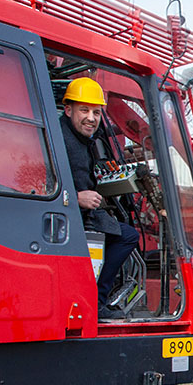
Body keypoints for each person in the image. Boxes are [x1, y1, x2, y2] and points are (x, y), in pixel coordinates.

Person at [61, 77, 139, 319]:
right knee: (128, 236)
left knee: (124, 232)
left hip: (78, 212)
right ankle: (94, 302)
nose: (91, 118)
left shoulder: (79, 139)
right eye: (84, 110)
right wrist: (76, 197)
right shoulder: (59, 140)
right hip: (69, 216)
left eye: (96, 112)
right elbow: (38, 180)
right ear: (68, 110)